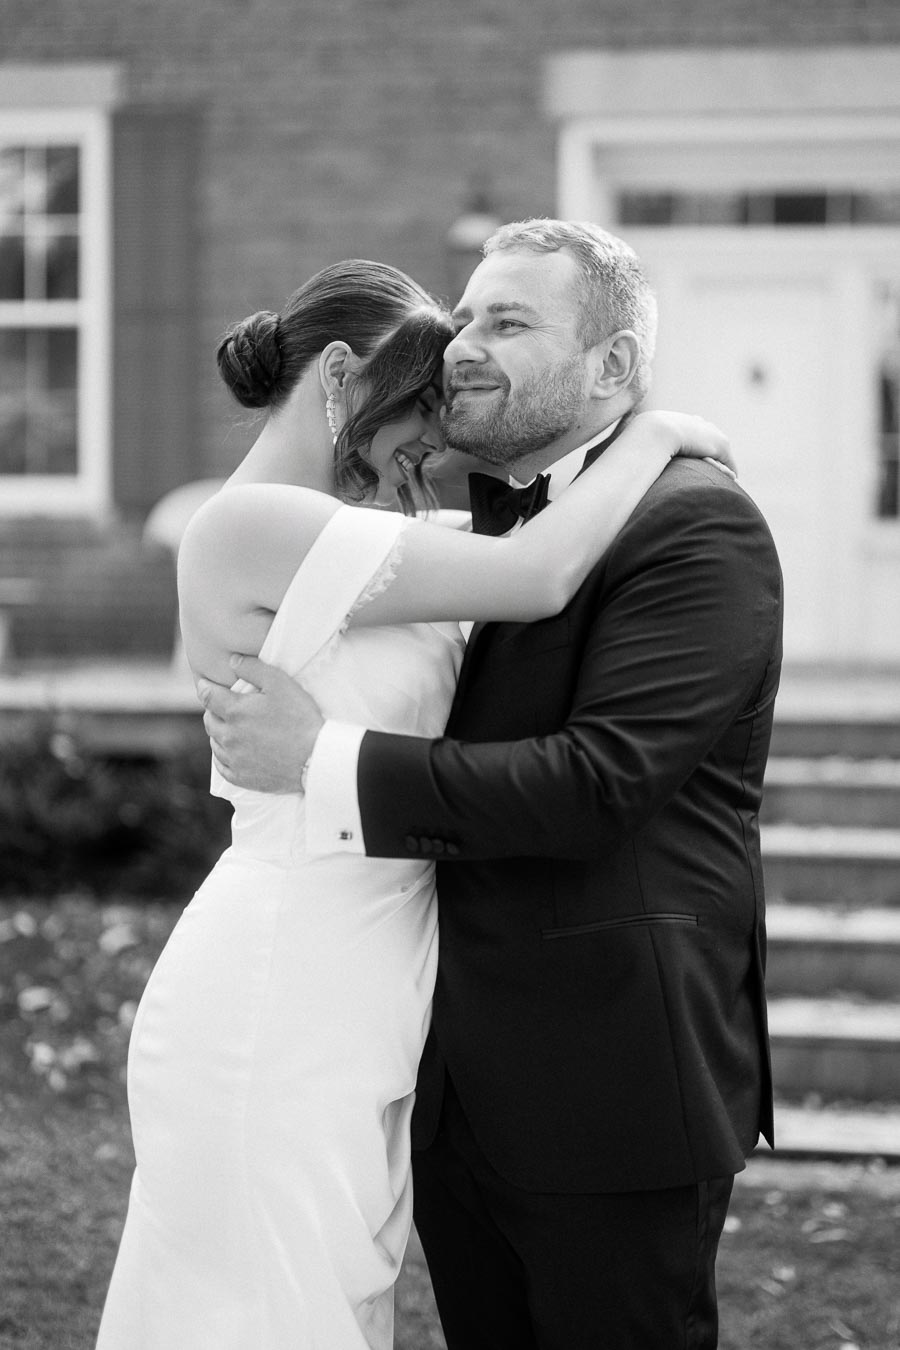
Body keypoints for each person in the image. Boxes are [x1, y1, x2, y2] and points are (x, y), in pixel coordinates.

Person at [94, 253, 729, 1350]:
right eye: (416, 425)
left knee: (332, 1305)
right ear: (340, 375)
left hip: (369, 991)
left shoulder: (365, 540)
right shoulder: (251, 527)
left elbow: (527, 542)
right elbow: (535, 575)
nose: (427, 455)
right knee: (264, 1313)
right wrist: (655, 437)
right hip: (279, 988)